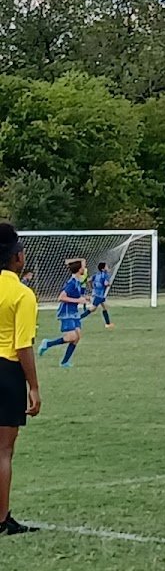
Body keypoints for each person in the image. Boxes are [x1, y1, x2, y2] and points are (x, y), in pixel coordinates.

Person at [0, 223, 41, 535]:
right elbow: (23, 346)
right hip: (6, 373)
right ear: (16, 258)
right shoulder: (22, 294)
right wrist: (34, 388)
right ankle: (2, 520)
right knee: (3, 451)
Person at [38, 259, 88, 367]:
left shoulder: (78, 281)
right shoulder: (71, 283)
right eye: (83, 267)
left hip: (74, 312)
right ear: (79, 269)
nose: (85, 268)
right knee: (71, 337)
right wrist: (79, 300)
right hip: (66, 313)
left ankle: (64, 362)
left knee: (77, 337)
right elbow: (61, 297)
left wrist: (84, 298)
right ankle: (47, 343)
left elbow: (75, 296)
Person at [80, 261, 114, 329]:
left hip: (96, 293)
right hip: (99, 295)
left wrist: (91, 287)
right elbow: (105, 283)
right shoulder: (105, 275)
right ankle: (77, 319)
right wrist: (109, 285)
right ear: (103, 269)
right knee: (92, 309)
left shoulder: (97, 275)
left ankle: (108, 324)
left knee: (105, 307)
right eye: (106, 266)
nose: (107, 267)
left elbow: (89, 280)